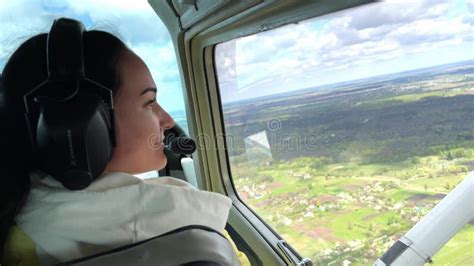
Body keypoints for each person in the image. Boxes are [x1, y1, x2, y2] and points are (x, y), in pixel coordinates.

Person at [0, 18, 249, 265]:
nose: (168, 120)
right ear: (79, 125)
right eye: (149, 103)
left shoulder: (20, 230)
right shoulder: (185, 224)